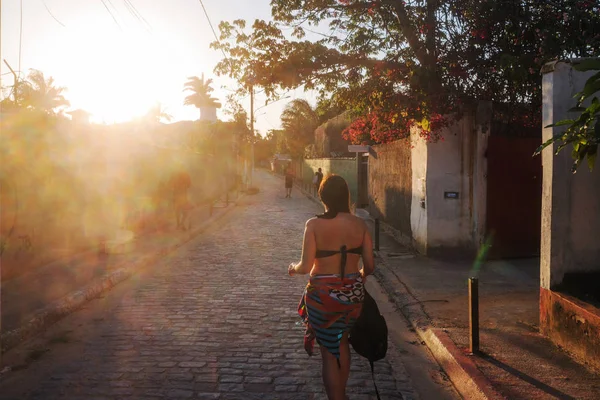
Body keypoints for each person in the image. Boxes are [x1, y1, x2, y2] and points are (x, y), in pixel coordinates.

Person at [288, 174, 375, 400]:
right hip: (353, 294)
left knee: (328, 352)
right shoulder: (360, 225)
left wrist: (293, 267)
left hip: (322, 297)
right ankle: (341, 394)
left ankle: (336, 398)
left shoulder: (314, 224)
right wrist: (361, 277)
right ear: (346, 196)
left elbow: (306, 266)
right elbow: (371, 266)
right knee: (342, 342)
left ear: (323, 196)